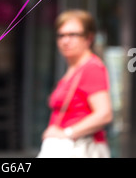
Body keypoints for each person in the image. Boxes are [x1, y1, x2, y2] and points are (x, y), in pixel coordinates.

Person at [38, 9, 113, 158]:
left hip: (80, 147)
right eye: (61, 35)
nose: (66, 41)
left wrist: (67, 132)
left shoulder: (91, 67)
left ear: (89, 38)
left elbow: (104, 114)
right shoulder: (75, 68)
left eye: (73, 35)